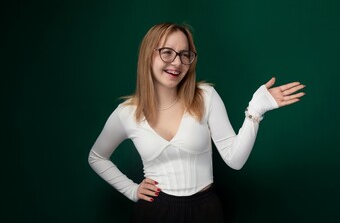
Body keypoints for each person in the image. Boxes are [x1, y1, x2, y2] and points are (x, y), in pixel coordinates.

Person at [88, 22, 305, 223]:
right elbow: (97, 157)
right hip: (153, 211)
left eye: (185, 55)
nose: (177, 62)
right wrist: (132, 190)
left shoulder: (206, 96)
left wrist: (255, 112)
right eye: (167, 52)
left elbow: (235, 160)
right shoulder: (126, 113)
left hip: (205, 211)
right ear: (148, 55)